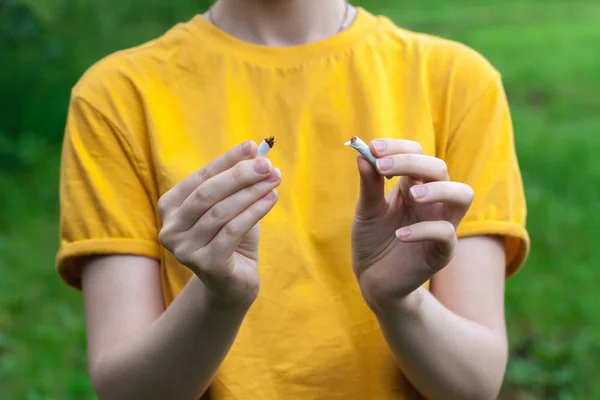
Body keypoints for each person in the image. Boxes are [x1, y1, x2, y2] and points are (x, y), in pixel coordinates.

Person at [56, 0, 529, 399]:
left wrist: (401, 303)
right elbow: (127, 391)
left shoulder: (458, 83)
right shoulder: (117, 96)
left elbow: (474, 383)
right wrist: (218, 299)